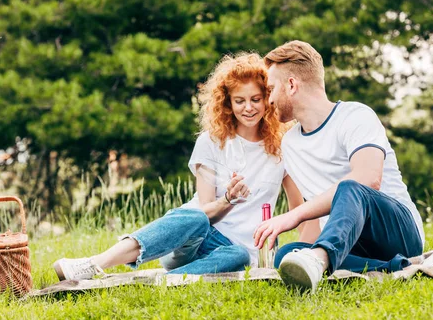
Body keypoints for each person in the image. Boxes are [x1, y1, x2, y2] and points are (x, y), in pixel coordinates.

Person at [53, 53, 289, 281]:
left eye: (255, 99)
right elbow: (206, 213)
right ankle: (93, 264)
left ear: (268, 99)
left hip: (233, 252)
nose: (248, 107)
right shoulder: (211, 141)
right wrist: (228, 199)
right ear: (228, 103)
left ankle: (166, 282)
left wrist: (306, 253)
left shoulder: (283, 149)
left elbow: (299, 213)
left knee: (238, 255)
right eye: (240, 101)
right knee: (196, 217)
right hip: (190, 239)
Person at [253, 40, 425, 292]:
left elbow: (368, 180)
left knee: (350, 187)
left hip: (396, 231)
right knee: (287, 254)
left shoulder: (356, 116)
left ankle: (321, 259)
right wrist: (300, 254)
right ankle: (392, 267)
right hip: (348, 242)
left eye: (271, 89)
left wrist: (293, 215)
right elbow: (316, 212)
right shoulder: (290, 144)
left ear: (291, 85)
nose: (268, 99)